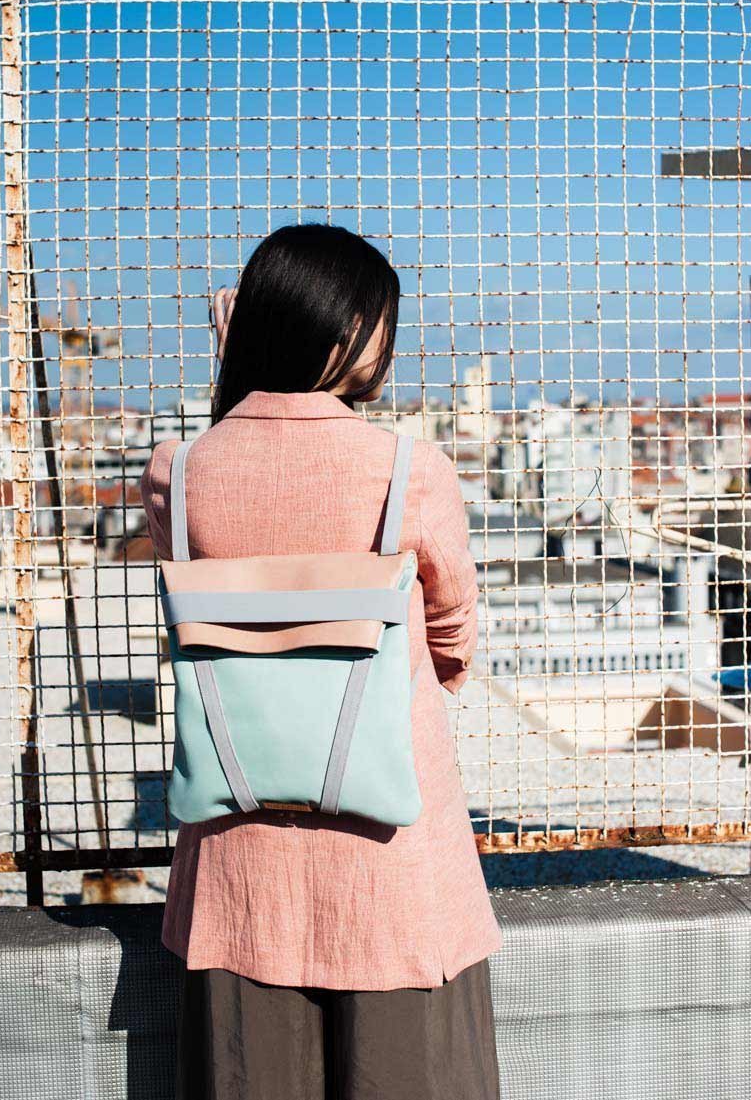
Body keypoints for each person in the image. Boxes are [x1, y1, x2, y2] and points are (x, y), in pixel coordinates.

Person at [140, 223, 504, 1100]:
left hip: (239, 865)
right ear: (342, 332)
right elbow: (453, 637)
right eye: (378, 321)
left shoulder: (176, 473)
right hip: (390, 862)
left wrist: (238, 377)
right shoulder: (407, 471)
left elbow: (231, 509)